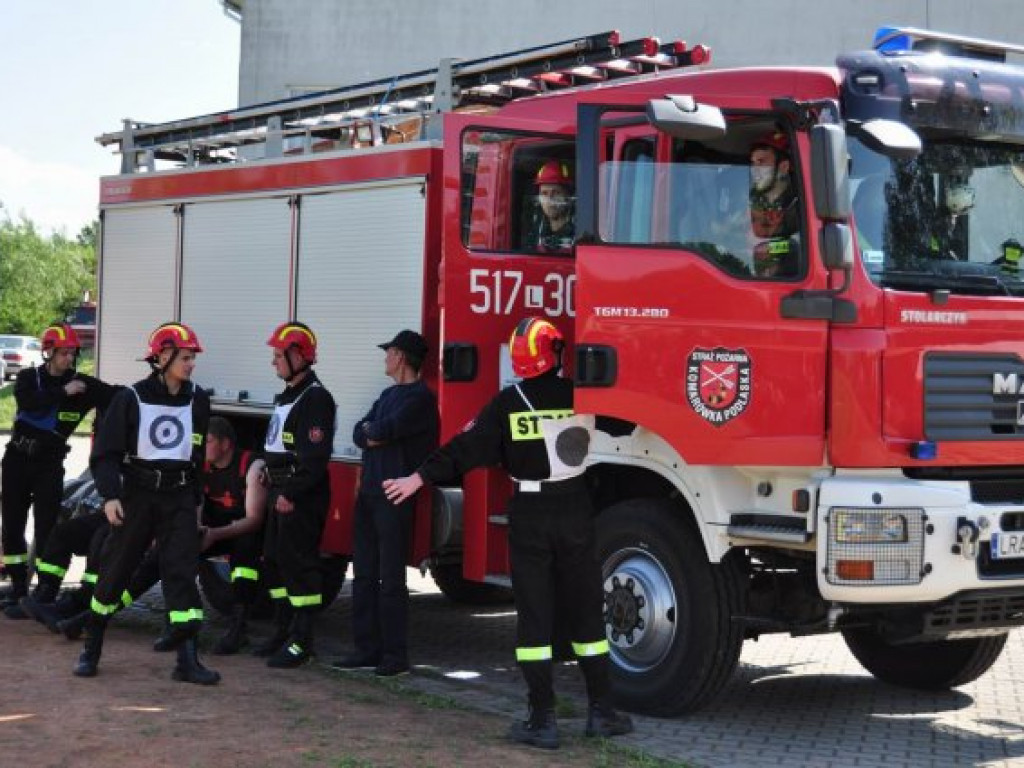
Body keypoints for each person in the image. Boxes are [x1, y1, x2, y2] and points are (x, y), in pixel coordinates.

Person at [383, 317, 632, 750]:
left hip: (531, 513)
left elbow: (464, 451)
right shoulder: (580, 394)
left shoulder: (506, 403)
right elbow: (627, 423)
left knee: (535, 615)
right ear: (553, 353)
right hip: (575, 508)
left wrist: (418, 479)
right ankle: (602, 712)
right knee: (587, 613)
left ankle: (543, 719)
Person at [73, 322, 218, 686]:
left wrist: (196, 501)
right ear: (163, 357)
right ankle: (91, 645)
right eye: (185, 357)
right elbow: (106, 455)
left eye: (192, 358)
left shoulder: (197, 398)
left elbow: (196, 454)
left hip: (180, 498)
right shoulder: (131, 398)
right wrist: (110, 496)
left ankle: (187, 660)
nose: (191, 365)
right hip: (138, 496)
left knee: (181, 574)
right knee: (116, 568)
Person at [333, 329, 438, 678]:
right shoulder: (387, 394)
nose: (385, 358)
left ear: (402, 357)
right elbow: (359, 433)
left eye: (389, 352)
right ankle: (366, 649)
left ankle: (395, 656)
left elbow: (380, 431)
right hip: (369, 496)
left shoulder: (420, 399)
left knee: (390, 579)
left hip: (394, 497)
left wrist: (374, 432)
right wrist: (373, 433)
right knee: (363, 574)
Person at [0, 323, 119, 617]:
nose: (68, 358)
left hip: (49, 465)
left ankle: (46, 590)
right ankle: (17, 588)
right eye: (63, 353)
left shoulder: (83, 384)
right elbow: (29, 403)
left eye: (72, 353)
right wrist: (63, 391)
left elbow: (118, 395)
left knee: (46, 526)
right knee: (13, 525)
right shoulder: (29, 378)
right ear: (49, 352)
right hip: (16, 460)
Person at [141, 415, 268, 655]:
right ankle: (176, 622)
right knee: (176, 549)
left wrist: (215, 534)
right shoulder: (201, 466)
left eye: (208, 441)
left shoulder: (252, 467)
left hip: (245, 532)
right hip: (215, 530)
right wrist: (195, 531)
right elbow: (195, 505)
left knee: (244, 559)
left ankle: (238, 629)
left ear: (226, 444)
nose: (202, 447)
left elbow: (254, 520)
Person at [254, 321, 336, 669]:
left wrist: (290, 491)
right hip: (279, 488)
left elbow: (314, 457)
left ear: (298, 356)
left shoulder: (315, 398)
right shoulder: (289, 394)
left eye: (278, 356)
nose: (274, 362)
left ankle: (303, 640)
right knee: (274, 562)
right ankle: (282, 630)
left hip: (299, 495)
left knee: (300, 566)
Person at [748, 130, 799, 277]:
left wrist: (770, 247)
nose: (754, 170)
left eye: (762, 162)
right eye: (752, 163)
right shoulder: (749, 201)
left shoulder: (801, 206)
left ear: (783, 167)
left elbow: (796, 245)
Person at [525, 160, 575, 253]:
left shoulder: (580, 232)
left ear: (568, 196)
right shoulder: (535, 231)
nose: (549, 199)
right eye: (544, 193)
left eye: (556, 192)